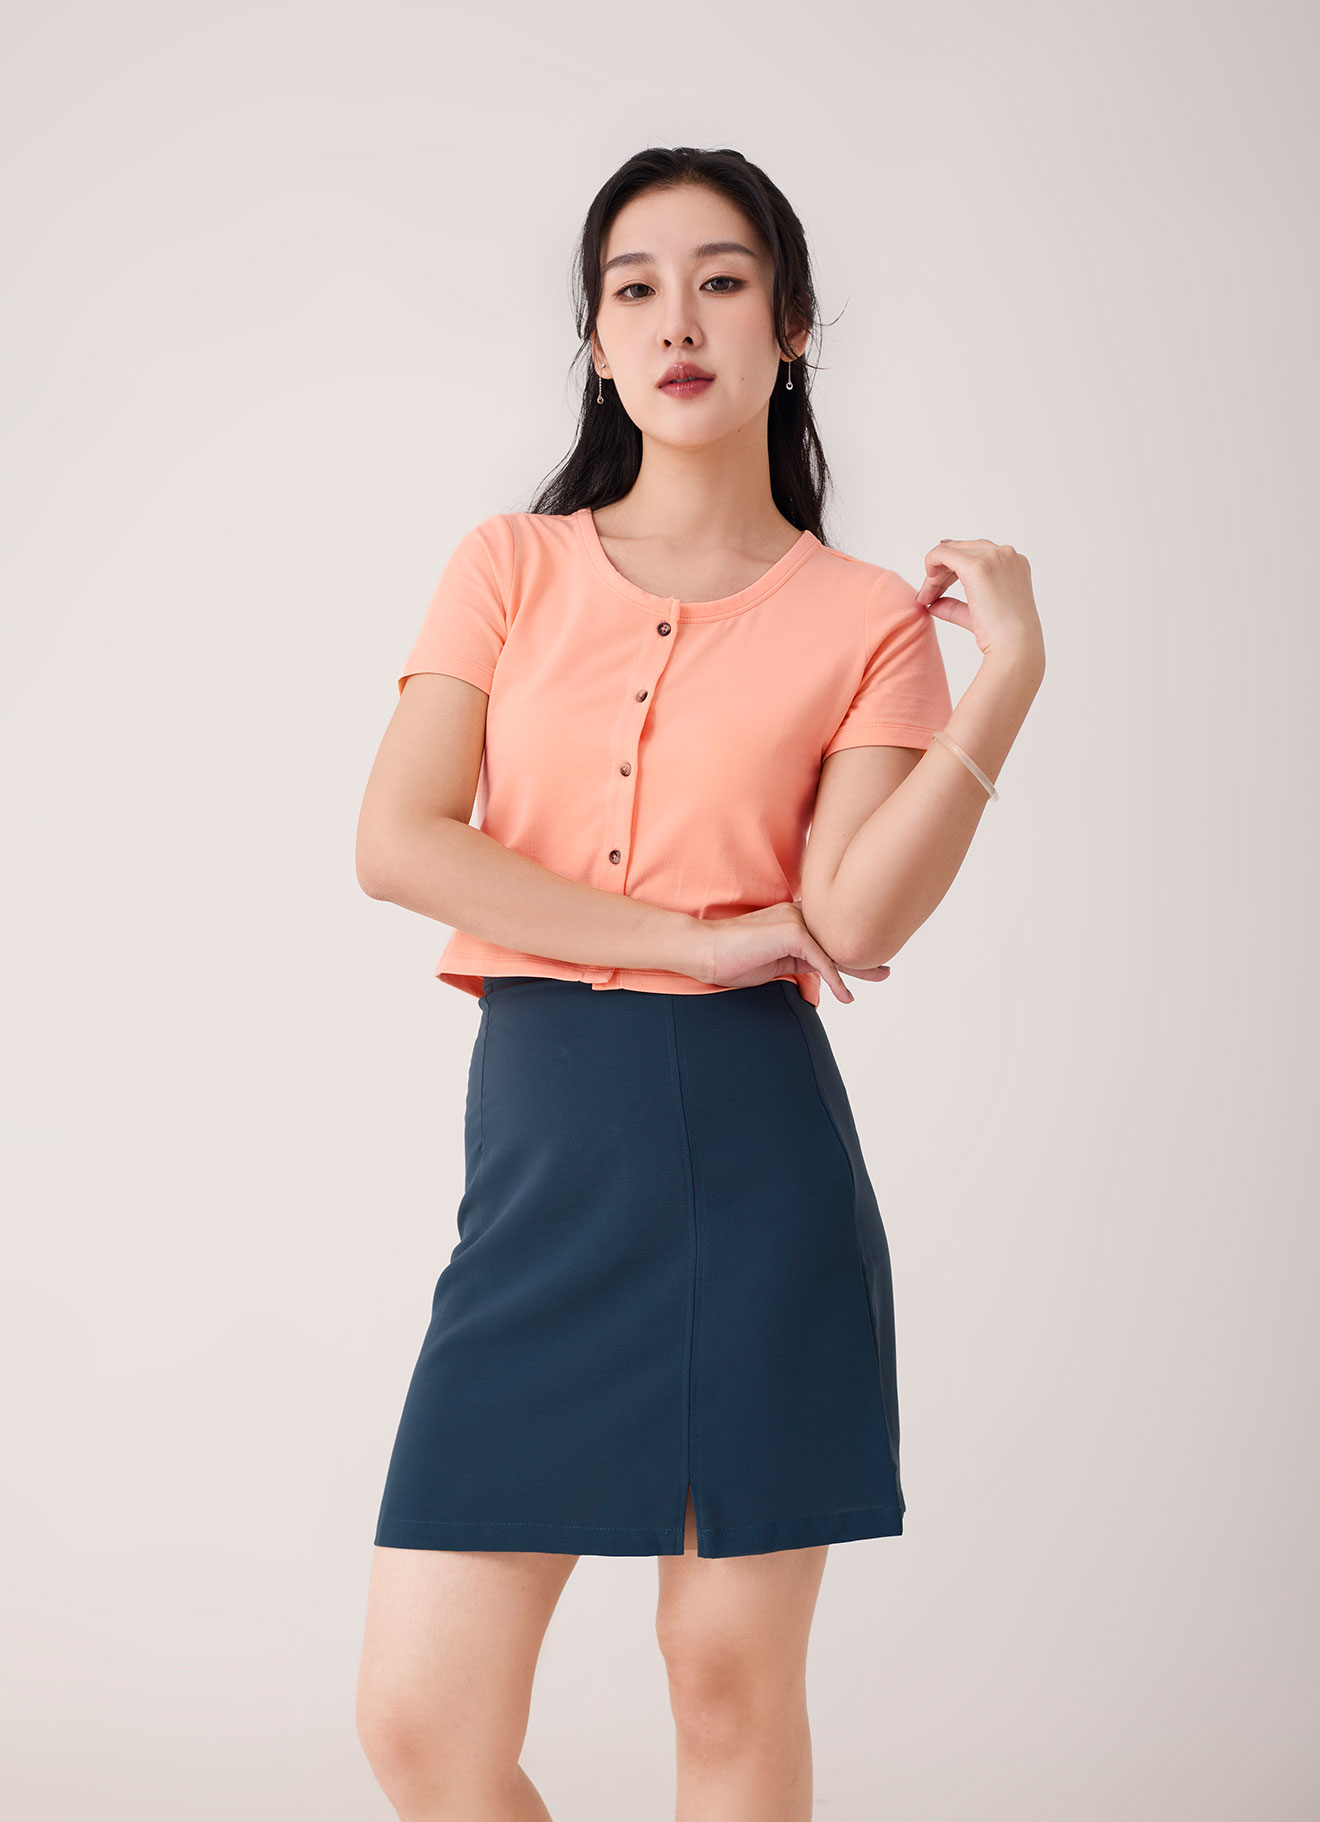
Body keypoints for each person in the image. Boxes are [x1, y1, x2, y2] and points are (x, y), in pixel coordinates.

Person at [352, 145, 1045, 1822]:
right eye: (636, 288)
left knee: (727, 1684)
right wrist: (690, 939)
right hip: (540, 1182)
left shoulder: (870, 618)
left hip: (756, 1174)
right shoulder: (508, 567)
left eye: (722, 281)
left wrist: (1006, 679)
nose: (678, 320)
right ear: (596, 340)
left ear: (790, 325)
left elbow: (854, 916)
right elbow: (398, 839)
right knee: (422, 1726)